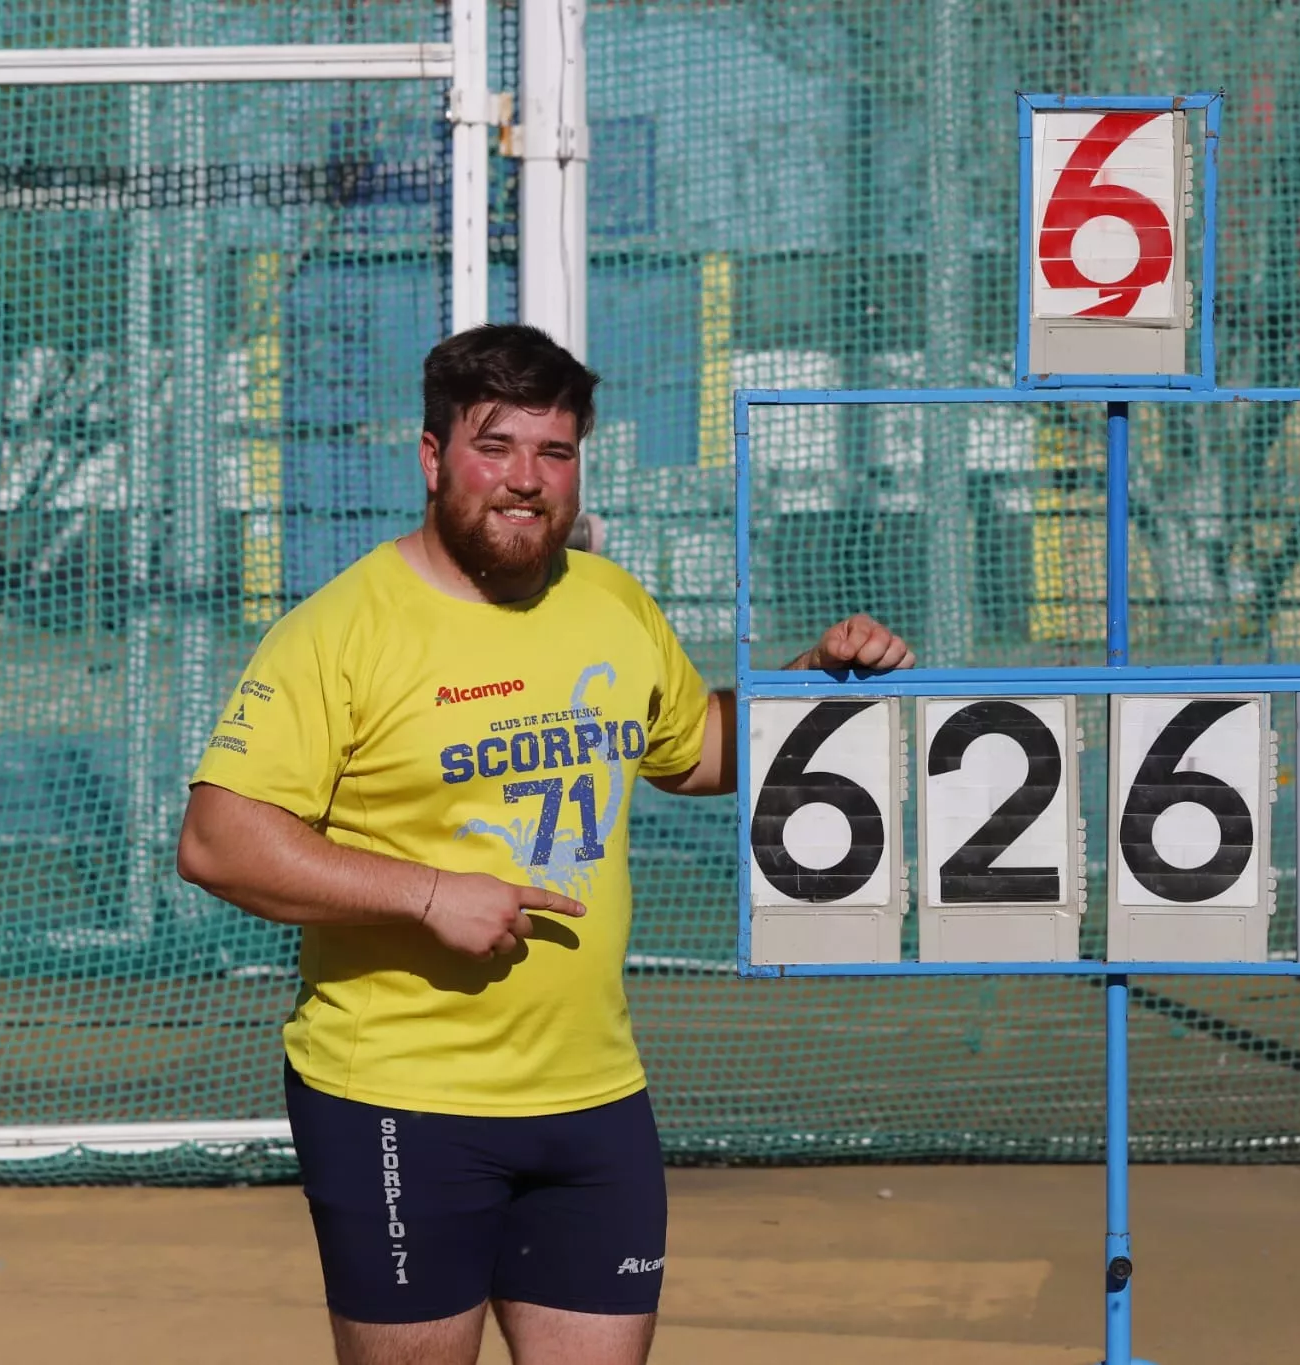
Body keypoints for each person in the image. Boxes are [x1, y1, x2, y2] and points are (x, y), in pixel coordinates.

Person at [177, 323, 912, 1365]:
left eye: (553, 453)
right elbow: (218, 841)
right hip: (400, 1099)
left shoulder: (606, 599)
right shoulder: (341, 631)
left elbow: (691, 748)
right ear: (432, 458)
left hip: (594, 1100)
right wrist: (430, 894)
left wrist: (815, 683)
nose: (525, 481)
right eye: (496, 446)